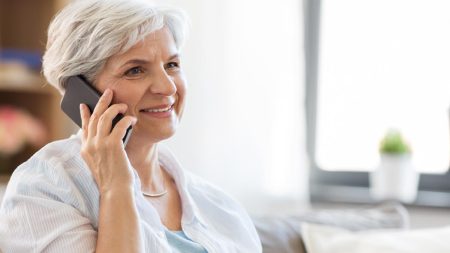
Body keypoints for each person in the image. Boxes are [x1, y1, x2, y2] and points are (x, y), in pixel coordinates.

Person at [0, 0, 262, 252]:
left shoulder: (220, 206)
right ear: (80, 89)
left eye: (172, 65)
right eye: (135, 70)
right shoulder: (46, 187)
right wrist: (117, 188)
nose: (168, 87)